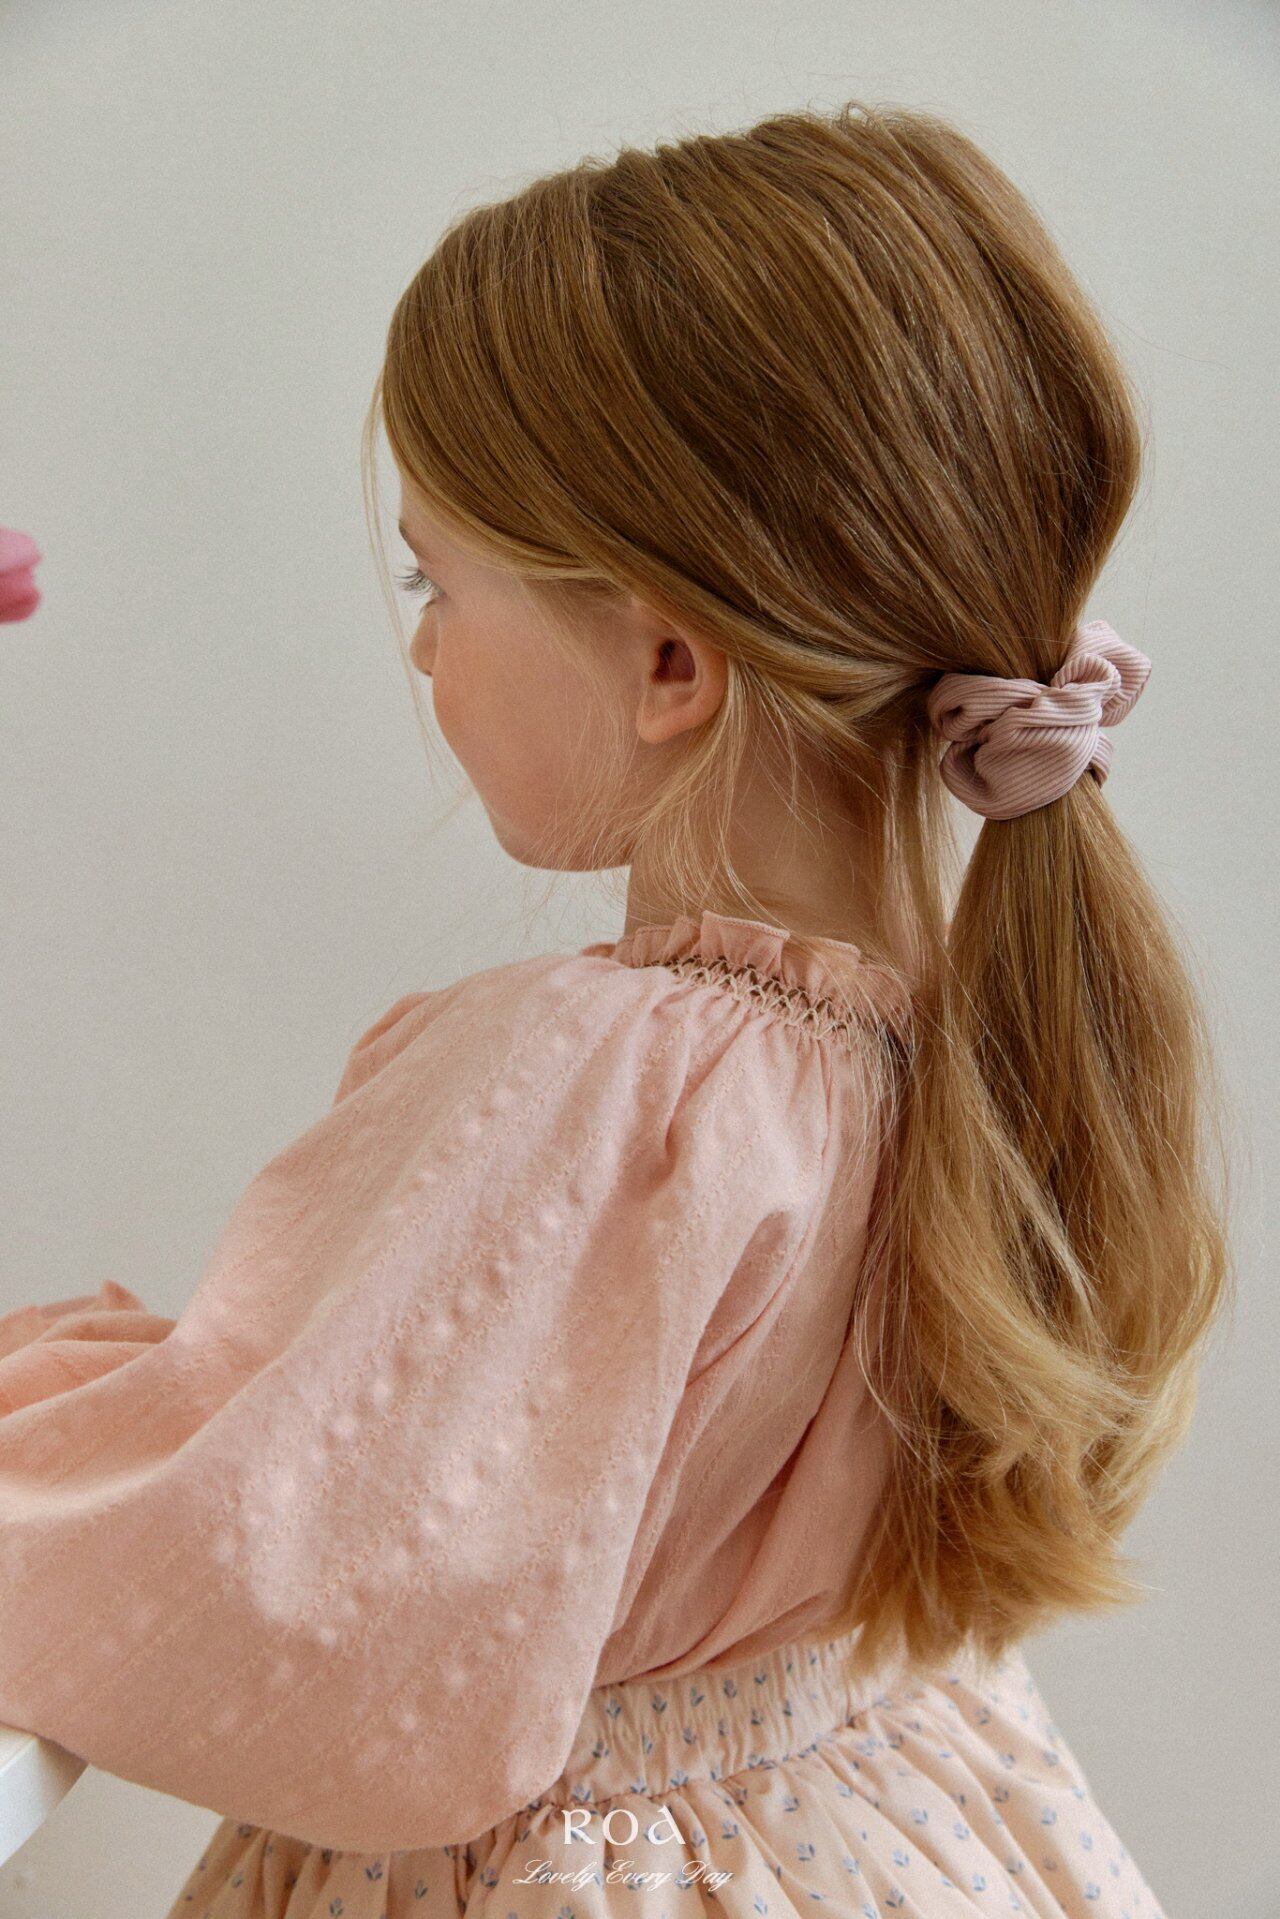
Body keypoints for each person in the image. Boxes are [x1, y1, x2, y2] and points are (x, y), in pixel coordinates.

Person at [0, 101, 1230, 1918]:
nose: (424, 644)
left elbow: (279, 1568)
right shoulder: (973, 1025)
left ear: (668, 661)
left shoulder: (616, 1082)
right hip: (875, 1830)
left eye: (436, 580)